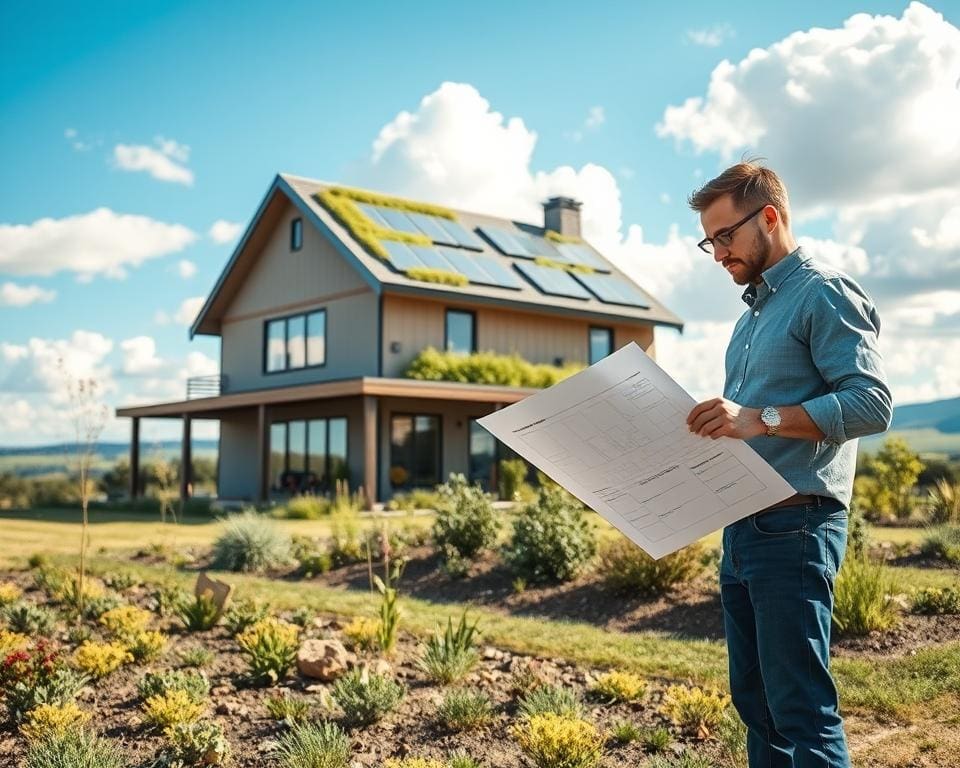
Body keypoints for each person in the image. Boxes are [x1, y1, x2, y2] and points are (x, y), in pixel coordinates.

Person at [684, 161, 892, 768]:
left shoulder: (823, 291)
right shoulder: (750, 318)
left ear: (769, 217)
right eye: (709, 241)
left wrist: (761, 417)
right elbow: (743, 422)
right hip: (742, 527)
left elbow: (870, 402)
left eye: (725, 235)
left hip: (796, 528)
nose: (717, 252)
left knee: (800, 709)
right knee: (756, 704)